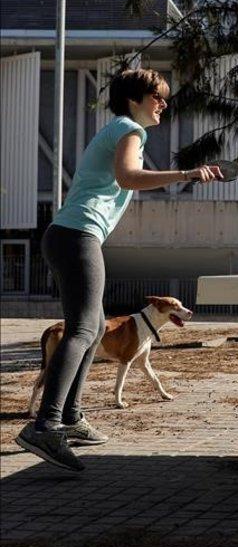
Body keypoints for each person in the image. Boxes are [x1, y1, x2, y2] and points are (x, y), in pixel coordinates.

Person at [16, 69, 222, 471]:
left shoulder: (120, 128)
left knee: (92, 329)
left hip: (70, 235)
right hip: (77, 235)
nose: (163, 103)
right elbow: (127, 177)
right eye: (156, 96)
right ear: (134, 99)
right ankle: (45, 425)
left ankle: (70, 418)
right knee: (81, 330)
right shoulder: (131, 130)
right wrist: (186, 173)